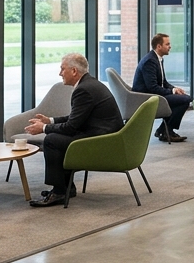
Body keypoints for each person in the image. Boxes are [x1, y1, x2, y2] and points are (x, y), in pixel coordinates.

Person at [26, 53, 124, 208]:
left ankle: (59, 191)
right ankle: (66, 188)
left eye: (62, 69)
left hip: (102, 141)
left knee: (52, 140)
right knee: (57, 137)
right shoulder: (89, 84)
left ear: (73, 71)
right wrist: (50, 121)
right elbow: (76, 118)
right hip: (106, 135)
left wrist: (43, 128)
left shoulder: (84, 90)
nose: (60, 73)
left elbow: (71, 127)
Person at [133, 32, 192, 143]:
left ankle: (164, 130)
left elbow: (163, 82)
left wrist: (174, 89)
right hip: (146, 97)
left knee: (184, 98)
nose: (170, 46)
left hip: (153, 94)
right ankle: (166, 131)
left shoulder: (157, 58)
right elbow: (152, 87)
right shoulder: (150, 61)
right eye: (167, 44)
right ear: (159, 46)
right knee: (185, 100)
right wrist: (171, 91)